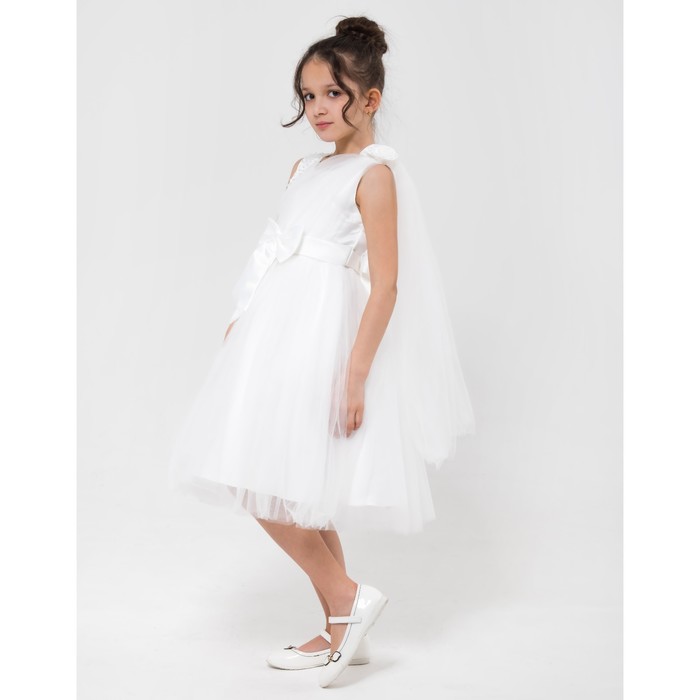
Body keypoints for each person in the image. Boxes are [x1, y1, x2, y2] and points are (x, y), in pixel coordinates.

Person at [168, 15, 475, 688]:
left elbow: (386, 284)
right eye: (308, 96)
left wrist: (356, 373)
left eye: (333, 93)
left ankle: (347, 597)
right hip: (275, 333)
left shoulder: (374, 174)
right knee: (296, 486)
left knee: (263, 478)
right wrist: (243, 316)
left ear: (370, 98)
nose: (317, 109)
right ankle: (342, 627)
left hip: (320, 338)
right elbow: (276, 248)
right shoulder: (304, 168)